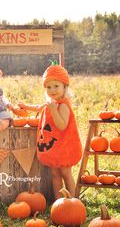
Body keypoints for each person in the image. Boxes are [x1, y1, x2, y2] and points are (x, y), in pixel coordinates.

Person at [18, 62, 82, 199]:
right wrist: (25, 106)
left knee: (65, 173)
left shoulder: (63, 106)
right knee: (55, 174)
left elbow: (62, 125)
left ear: (65, 87)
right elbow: (38, 108)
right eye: (48, 87)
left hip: (64, 146)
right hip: (53, 148)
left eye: (56, 86)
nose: (52, 90)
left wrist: (53, 110)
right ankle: (58, 202)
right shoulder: (51, 103)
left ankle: (73, 201)